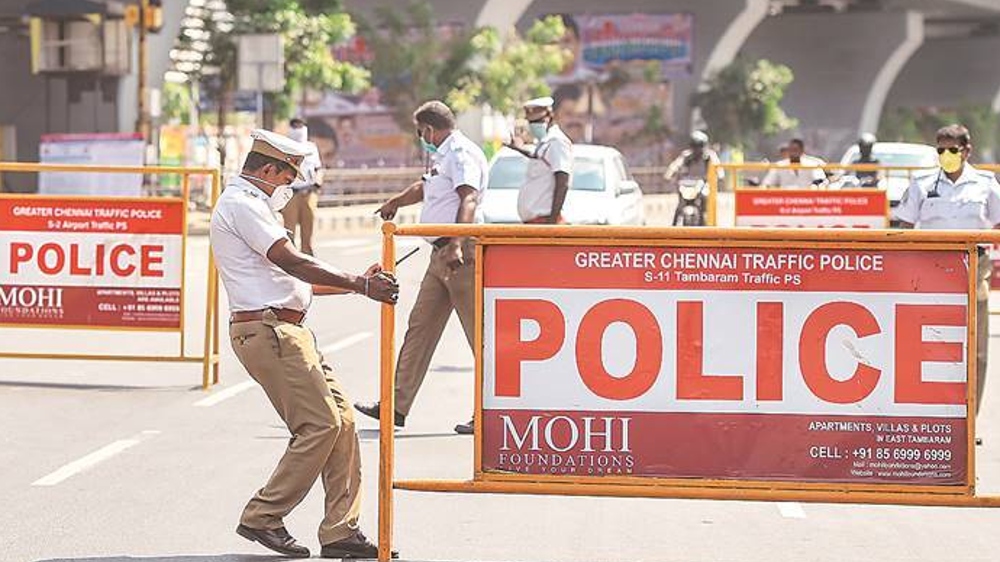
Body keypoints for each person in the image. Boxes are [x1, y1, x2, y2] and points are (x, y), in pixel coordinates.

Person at [210, 129, 399, 559]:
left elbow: (293, 280)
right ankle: (262, 515)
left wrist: (359, 285)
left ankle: (340, 531)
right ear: (270, 170)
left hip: (287, 330)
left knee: (344, 423)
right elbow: (291, 261)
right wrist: (360, 284)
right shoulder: (242, 205)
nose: (287, 189)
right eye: (286, 178)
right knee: (320, 425)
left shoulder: (255, 206)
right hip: (271, 332)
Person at [354, 100, 489, 435]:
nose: (421, 138)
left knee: (480, 336)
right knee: (420, 328)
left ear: (429, 129)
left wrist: (457, 242)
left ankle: (489, 411)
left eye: (421, 132)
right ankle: (395, 407)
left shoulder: (461, 154)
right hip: (439, 253)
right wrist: (396, 201)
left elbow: (468, 198)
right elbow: (427, 188)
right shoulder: (443, 156)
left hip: (461, 251)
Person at [894, 124, 1000, 427]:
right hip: (930, 269)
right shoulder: (922, 183)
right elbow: (903, 226)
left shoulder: (985, 183)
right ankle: (928, 419)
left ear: (967, 150)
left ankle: (969, 423)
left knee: (975, 349)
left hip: (973, 268)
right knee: (924, 344)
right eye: (940, 149)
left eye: (952, 149)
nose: (946, 155)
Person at [506, 96, 574, 224]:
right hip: (536, 221)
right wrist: (519, 149)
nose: (533, 126)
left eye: (537, 121)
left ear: (549, 117)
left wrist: (552, 222)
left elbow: (562, 181)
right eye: (531, 122)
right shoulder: (544, 142)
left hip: (545, 221)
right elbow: (539, 159)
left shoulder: (556, 141)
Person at [281, 118, 324, 255]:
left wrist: (318, 183)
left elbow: (318, 168)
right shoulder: (284, 146)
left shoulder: (311, 147)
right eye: (295, 126)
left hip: (308, 192)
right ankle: (290, 262)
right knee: (289, 231)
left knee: (308, 231)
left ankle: (309, 261)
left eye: (300, 126)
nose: (298, 130)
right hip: (289, 193)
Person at [664, 131, 722, 226]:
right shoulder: (686, 156)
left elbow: (718, 168)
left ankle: (707, 224)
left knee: (705, 200)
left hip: (704, 185)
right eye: (694, 146)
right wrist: (669, 174)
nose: (697, 149)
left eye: (699, 146)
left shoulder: (710, 156)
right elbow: (675, 165)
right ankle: (673, 228)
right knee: (680, 205)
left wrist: (719, 175)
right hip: (688, 184)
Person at [760, 138, 826, 189]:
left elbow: (821, 181)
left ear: (802, 151)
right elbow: (767, 184)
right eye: (790, 150)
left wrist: (814, 187)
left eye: (795, 150)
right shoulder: (779, 166)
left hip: (807, 200)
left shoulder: (812, 164)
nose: (792, 153)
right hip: (785, 200)